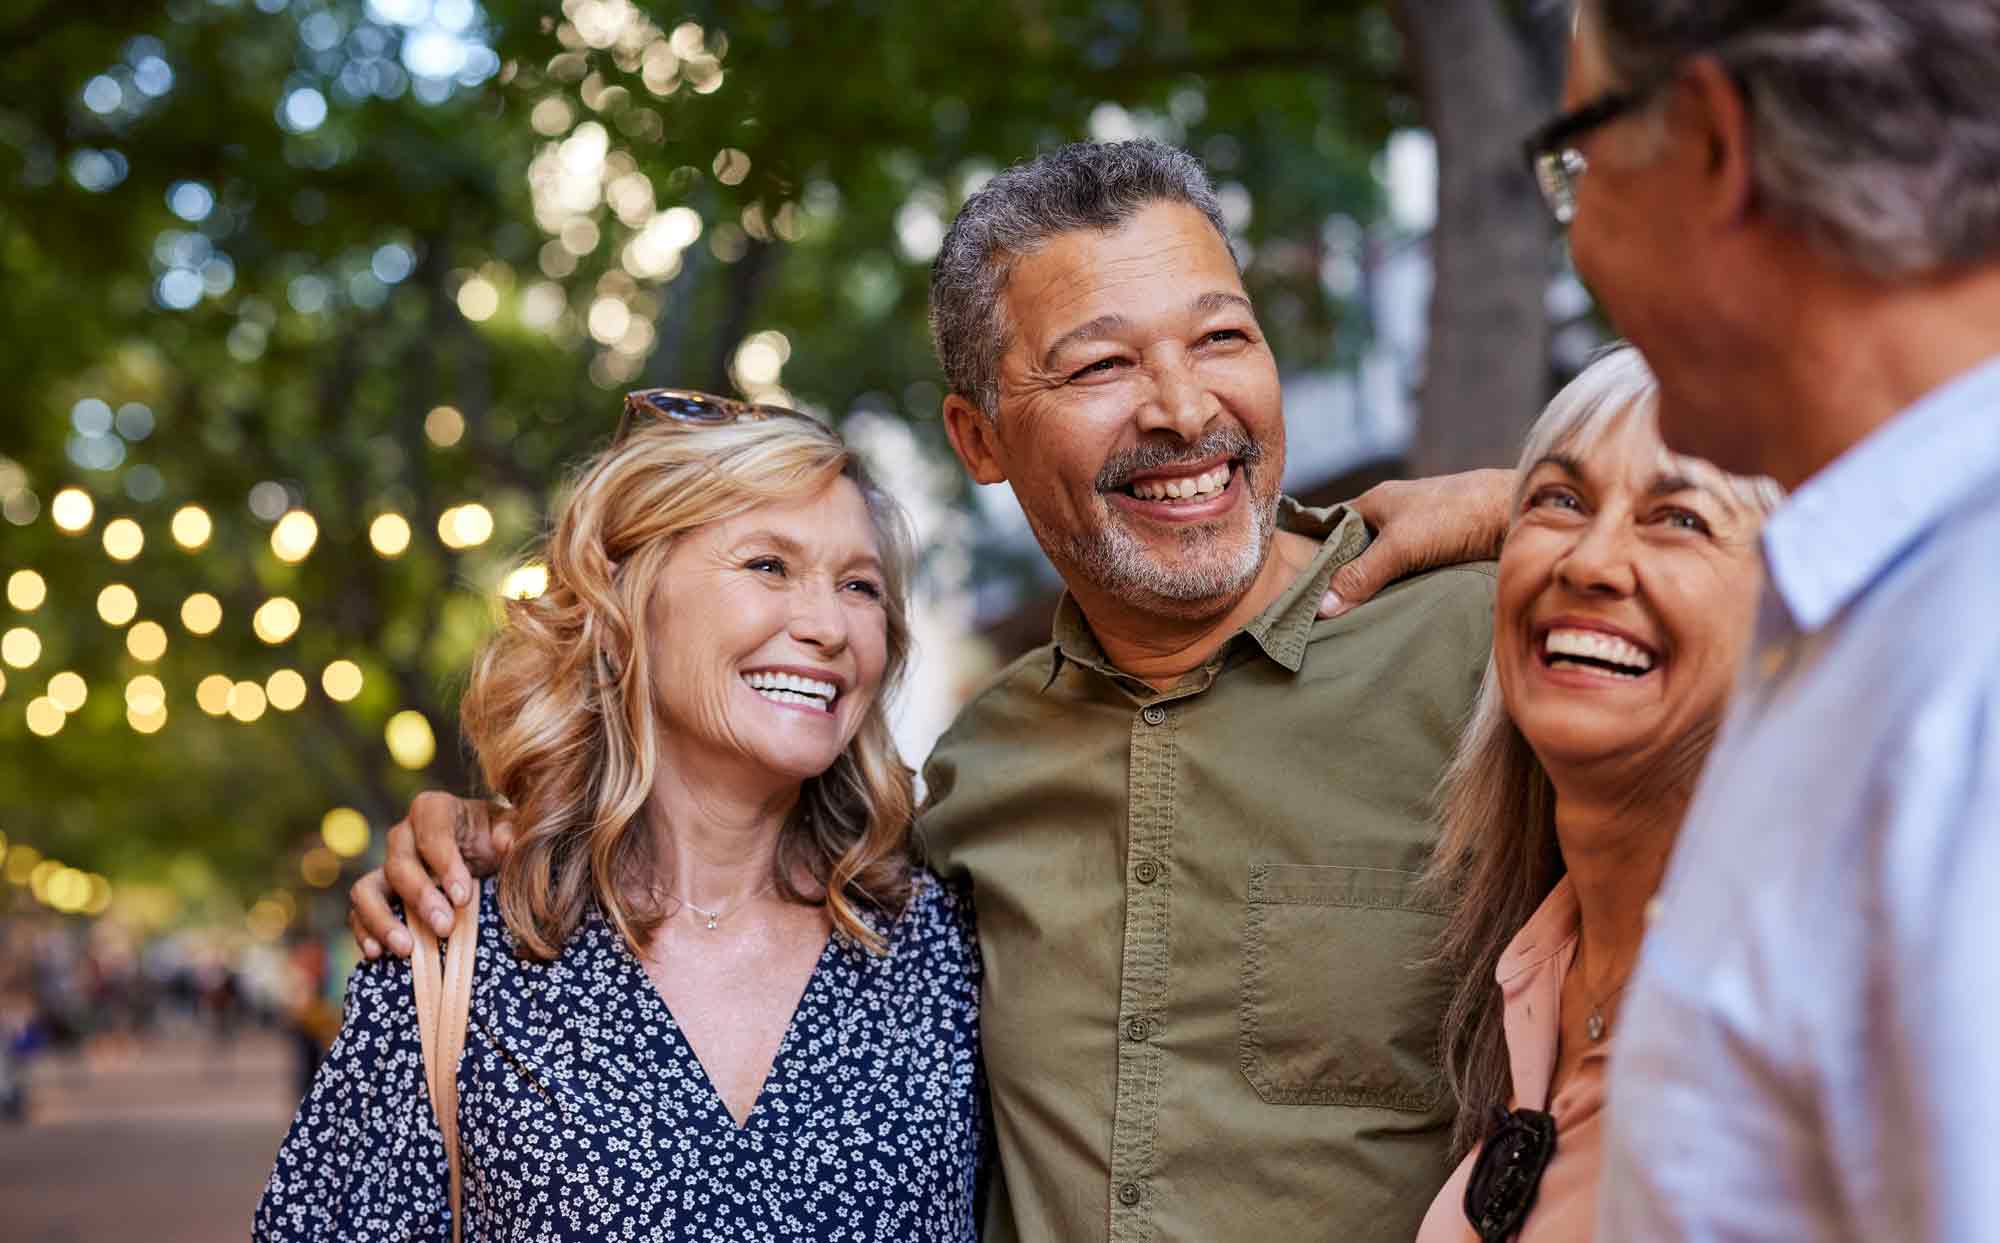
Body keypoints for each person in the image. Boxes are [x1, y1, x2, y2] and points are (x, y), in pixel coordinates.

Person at [348, 140, 1515, 1242]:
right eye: (1102, 362)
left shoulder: (1486, 655)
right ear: (978, 436)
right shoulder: (966, 790)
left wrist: (1542, 501)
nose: (1181, 407)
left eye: (1220, 338)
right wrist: (501, 825)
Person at [257, 395, 982, 1241]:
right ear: (620, 607)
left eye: (859, 585)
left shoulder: (941, 943)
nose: (827, 625)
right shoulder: (455, 949)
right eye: (768, 566)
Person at [1522, 3, 2000, 1239]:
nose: (1573, 237)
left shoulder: (1962, 669)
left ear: (1708, 146)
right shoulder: (1867, 618)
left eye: (1575, 160)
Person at [1409, 345, 1779, 1243]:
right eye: (1561, 500)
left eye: (1680, 518)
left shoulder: (1805, 1002)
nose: (1592, 561)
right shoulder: (1540, 963)